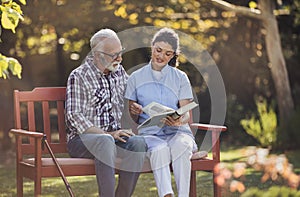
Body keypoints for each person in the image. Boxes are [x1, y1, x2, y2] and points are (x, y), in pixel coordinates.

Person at [65, 28, 147, 197]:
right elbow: (74, 116)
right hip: (82, 140)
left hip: (113, 138)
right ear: (97, 55)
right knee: (105, 141)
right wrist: (108, 134)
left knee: (138, 144)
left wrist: (135, 107)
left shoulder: (120, 73)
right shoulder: (79, 76)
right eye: (113, 54)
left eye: (120, 52)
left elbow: (132, 99)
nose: (119, 58)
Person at [125, 27, 197, 197]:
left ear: (173, 55)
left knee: (181, 146)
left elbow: (186, 113)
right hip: (150, 134)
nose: (161, 56)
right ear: (152, 47)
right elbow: (131, 116)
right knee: (160, 149)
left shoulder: (180, 77)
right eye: (158, 50)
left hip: (178, 132)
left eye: (167, 53)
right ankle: (166, 194)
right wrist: (133, 110)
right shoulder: (136, 77)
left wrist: (179, 120)